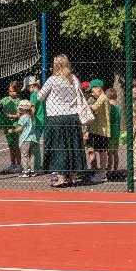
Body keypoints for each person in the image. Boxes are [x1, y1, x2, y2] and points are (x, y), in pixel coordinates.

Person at [40, 55, 87, 188]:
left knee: (58, 146)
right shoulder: (73, 79)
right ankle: (72, 177)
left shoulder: (52, 80)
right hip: (72, 116)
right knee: (73, 145)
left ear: (56, 65)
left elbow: (40, 97)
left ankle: (61, 178)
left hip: (55, 117)